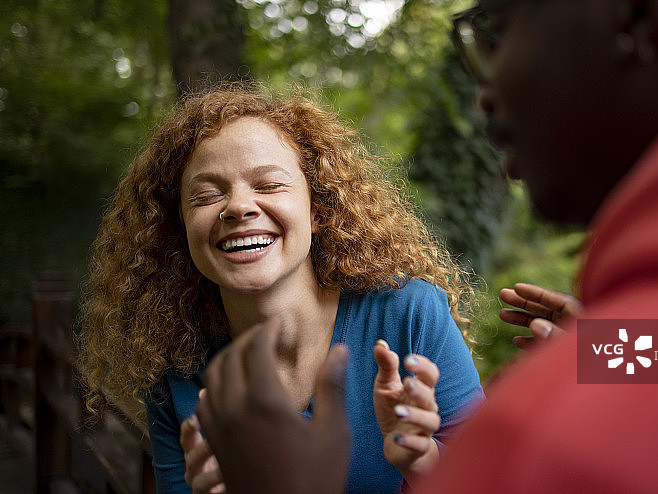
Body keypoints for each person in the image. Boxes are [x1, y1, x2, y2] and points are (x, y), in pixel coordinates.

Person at [192, 0, 658, 492]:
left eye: (498, 29)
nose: (484, 88)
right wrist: (638, 354)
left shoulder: (544, 453)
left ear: (639, 4)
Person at [77, 85, 484, 493]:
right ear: (178, 229)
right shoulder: (175, 370)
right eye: (206, 194)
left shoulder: (409, 313)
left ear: (318, 208)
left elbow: (492, 479)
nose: (238, 206)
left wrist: (424, 463)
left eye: (269, 185)